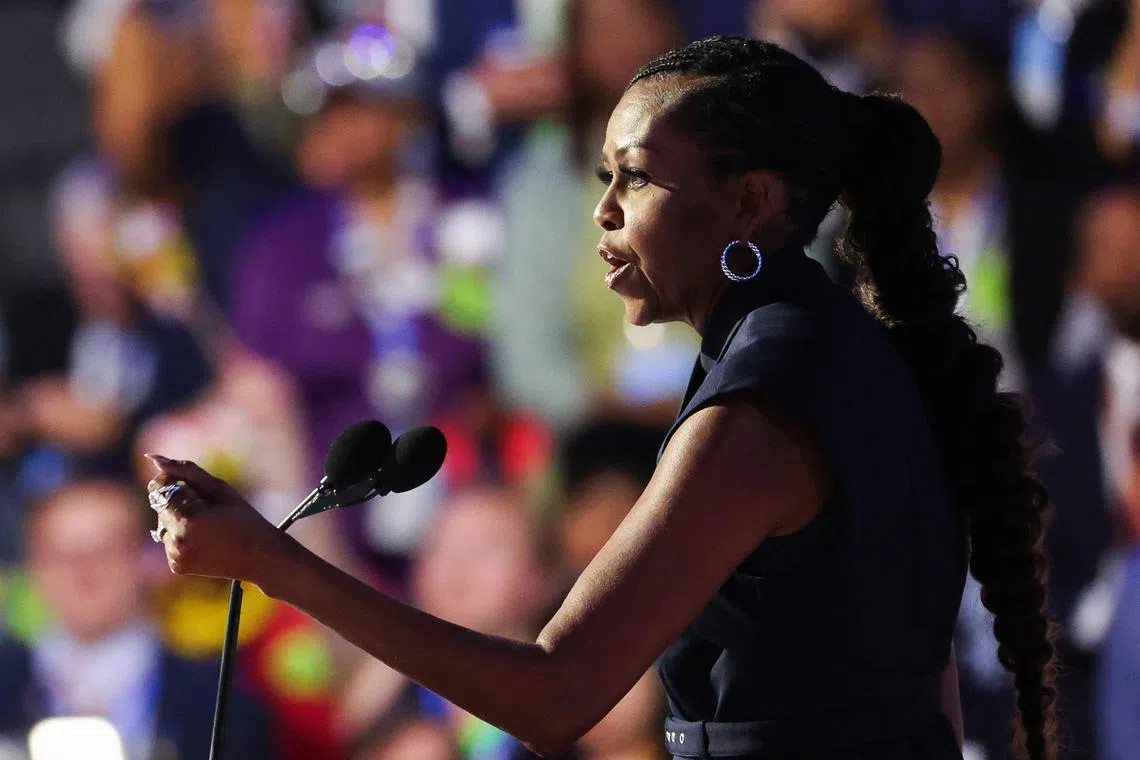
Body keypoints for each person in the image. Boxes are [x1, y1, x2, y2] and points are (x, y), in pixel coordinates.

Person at [144, 36, 1056, 760]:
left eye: (640, 177)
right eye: (604, 177)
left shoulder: (764, 407)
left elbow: (555, 697)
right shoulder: (820, 349)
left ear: (749, 202)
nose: (604, 210)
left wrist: (269, 561)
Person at [0, 480, 275, 760]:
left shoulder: (220, 701)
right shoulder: (5, 688)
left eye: (105, 550)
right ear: (33, 565)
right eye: (62, 555)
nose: (83, 572)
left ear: (148, 557)